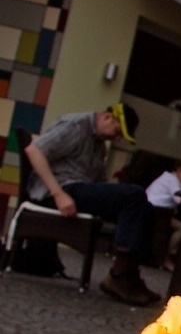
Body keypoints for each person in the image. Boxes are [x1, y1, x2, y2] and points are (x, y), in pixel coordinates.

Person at [24, 102, 160, 306]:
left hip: (79, 189)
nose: (117, 138)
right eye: (117, 131)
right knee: (134, 194)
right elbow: (34, 150)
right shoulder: (76, 125)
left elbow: (99, 183)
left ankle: (129, 273)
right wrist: (58, 193)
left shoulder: (99, 145)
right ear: (107, 117)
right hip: (60, 189)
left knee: (145, 206)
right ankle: (119, 275)